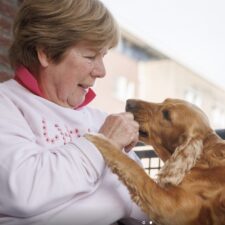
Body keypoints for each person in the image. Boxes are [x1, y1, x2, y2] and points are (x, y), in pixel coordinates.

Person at [0, 0, 148, 224]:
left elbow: (144, 203)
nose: (101, 71)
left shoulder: (100, 119)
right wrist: (103, 145)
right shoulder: (7, 104)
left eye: (103, 57)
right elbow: (24, 190)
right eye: (90, 56)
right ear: (47, 53)